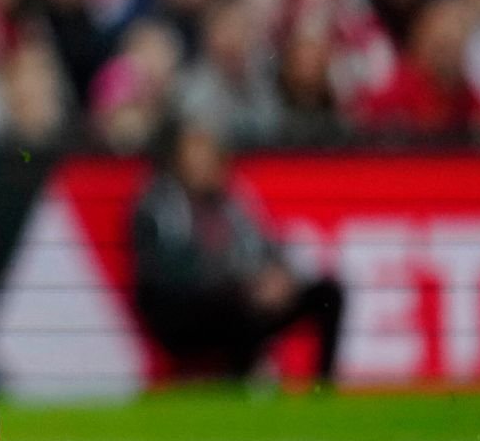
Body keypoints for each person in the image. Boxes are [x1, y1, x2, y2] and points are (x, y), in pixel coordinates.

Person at [131, 112, 345, 382]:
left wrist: (280, 277)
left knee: (327, 293)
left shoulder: (233, 201)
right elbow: (167, 271)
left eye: (209, 155)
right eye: (195, 155)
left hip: (245, 297)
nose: (204, 165)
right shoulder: (161, 203)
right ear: (178, 161)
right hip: (185, 310)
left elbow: (267, 246)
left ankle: (322, 388)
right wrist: (245, 284)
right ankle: (245, 381)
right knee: (236, 306)